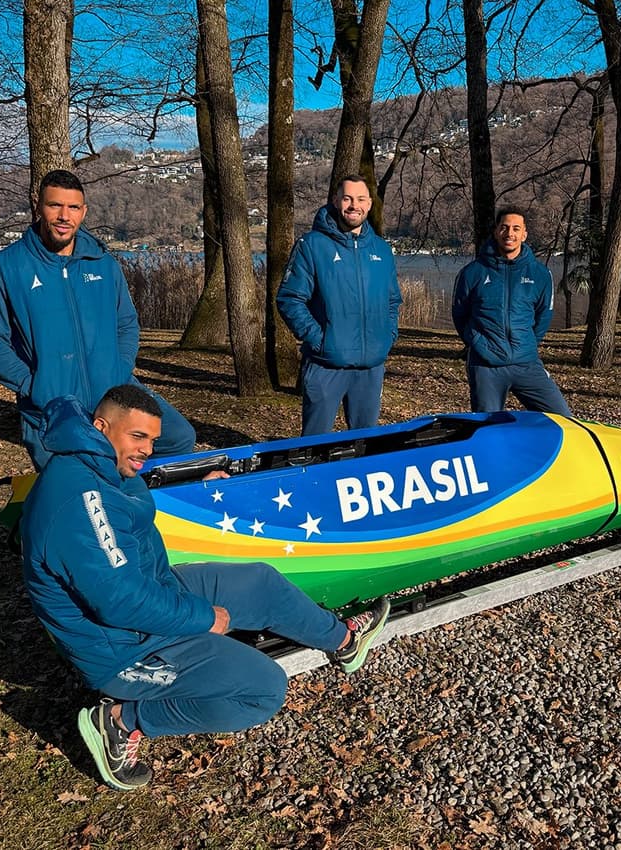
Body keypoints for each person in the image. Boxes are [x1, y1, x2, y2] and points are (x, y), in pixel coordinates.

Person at [20, 384, 391, 791]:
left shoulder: (104, 465)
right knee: (263, 691)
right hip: (123, 646)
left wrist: (200, 475)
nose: (146, 450)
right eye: (137, 437)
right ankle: (121, 721)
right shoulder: (80, 499)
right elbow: (120, 602)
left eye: (152, 440)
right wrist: (201, 617)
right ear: (100, 426)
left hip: (154, 591)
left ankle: (342, 641)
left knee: (259, 582)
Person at [0, 169, 195, 470]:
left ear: (84, 211)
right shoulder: (6, 267)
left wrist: (120, 368)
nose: (65, 216)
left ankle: (135, 503)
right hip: (53, 404)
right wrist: (32, 384)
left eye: (73, 207)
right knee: (76, 481)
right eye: (55, 205)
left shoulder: (103, 263)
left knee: (178, 438)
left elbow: (126, 323)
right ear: (38, 207)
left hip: (115, 393)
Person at [277, 174, 402, 436]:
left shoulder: (381, 249)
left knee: (365, 445)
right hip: (326, 365)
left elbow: (392, 300)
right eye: (347, 198)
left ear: (369, 204)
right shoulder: (311, 245)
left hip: (370, 367)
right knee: (314, 446)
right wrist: (319, 339)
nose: (353, 205)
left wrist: (387, 336)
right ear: (335, 201)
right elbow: (290, 299)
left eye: (360, 199)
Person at [451, 208, 571, 417]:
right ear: (496, 231)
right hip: (486, 364)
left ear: (524, 234)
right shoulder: (472, 272)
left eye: (516, 228)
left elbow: (543, 315)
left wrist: (527, 343)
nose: (510, 234)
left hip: (526, 362)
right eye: (504, 227)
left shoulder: (540, 274)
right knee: (487, 429)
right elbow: (460, 314)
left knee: (561, 419)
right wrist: (478, 342)